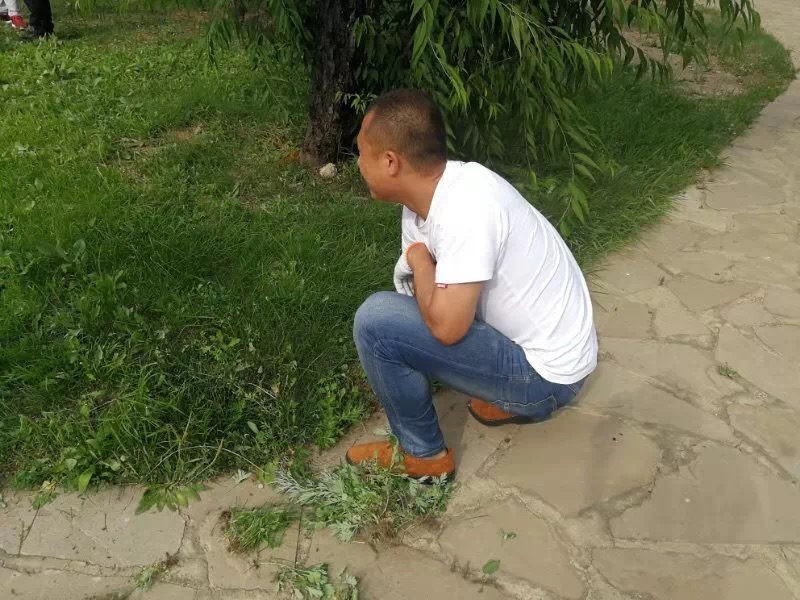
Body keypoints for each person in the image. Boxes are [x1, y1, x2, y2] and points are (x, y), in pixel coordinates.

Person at [347, 89, 597, 479]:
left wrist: (418, 261)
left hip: (551, 379)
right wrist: (423, 268)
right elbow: (425, 302)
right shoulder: (428, 199)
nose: (358, 162)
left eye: (362, 152)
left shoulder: (468, 209)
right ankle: (504, 394)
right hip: (549, 354)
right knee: (400, 318)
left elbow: (446, 328)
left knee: (376, 323)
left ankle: (424, 457)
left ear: (391, 162)